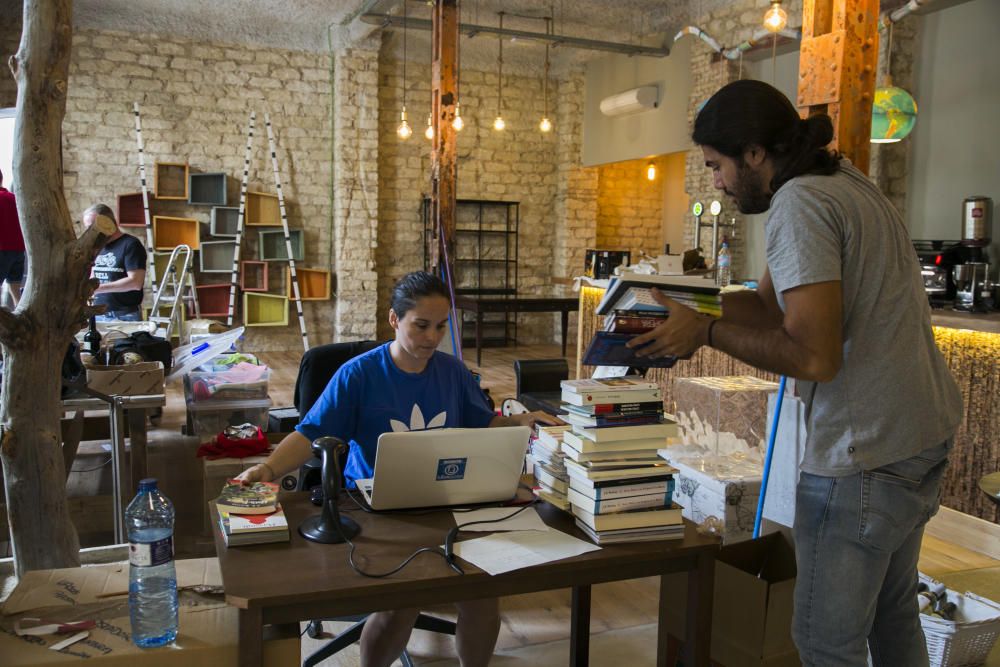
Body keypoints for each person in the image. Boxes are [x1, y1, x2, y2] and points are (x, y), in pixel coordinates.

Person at [628, 80, 962, 666]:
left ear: (755, 153)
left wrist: (702, 333)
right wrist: (685, 305)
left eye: (717, 166)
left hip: (864, 453)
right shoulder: (843, 180)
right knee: (892, 621)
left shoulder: (800, 204)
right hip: (916, 435)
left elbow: (813, 357)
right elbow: (767, 307)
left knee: (823, 642)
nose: (717, 183)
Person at [238, 270, 559, 667]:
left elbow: (485, 423)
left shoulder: (453, 372)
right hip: (376, 506)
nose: (431, 337)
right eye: (420, 325)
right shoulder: (358, 375)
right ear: (394, 319)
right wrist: (268, 468)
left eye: (441, 327)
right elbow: (311, 433)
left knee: (482, 594)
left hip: (448, 496)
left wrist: (519, 423)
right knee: (403, 602)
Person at [83, 203, 147, 321]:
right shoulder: (97, 246)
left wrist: (98, 288)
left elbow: (136, 283)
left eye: (93, 227)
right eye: (88, 228)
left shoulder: (130, 244)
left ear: (109, 222)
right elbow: (93, 275)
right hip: (98, 315)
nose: (90, 232)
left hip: (124, 315)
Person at [0, 168, 26, 307]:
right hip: (18, 251)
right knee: (15, 288)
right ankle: (21, 319)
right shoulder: (15, 198)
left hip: (1, 248)